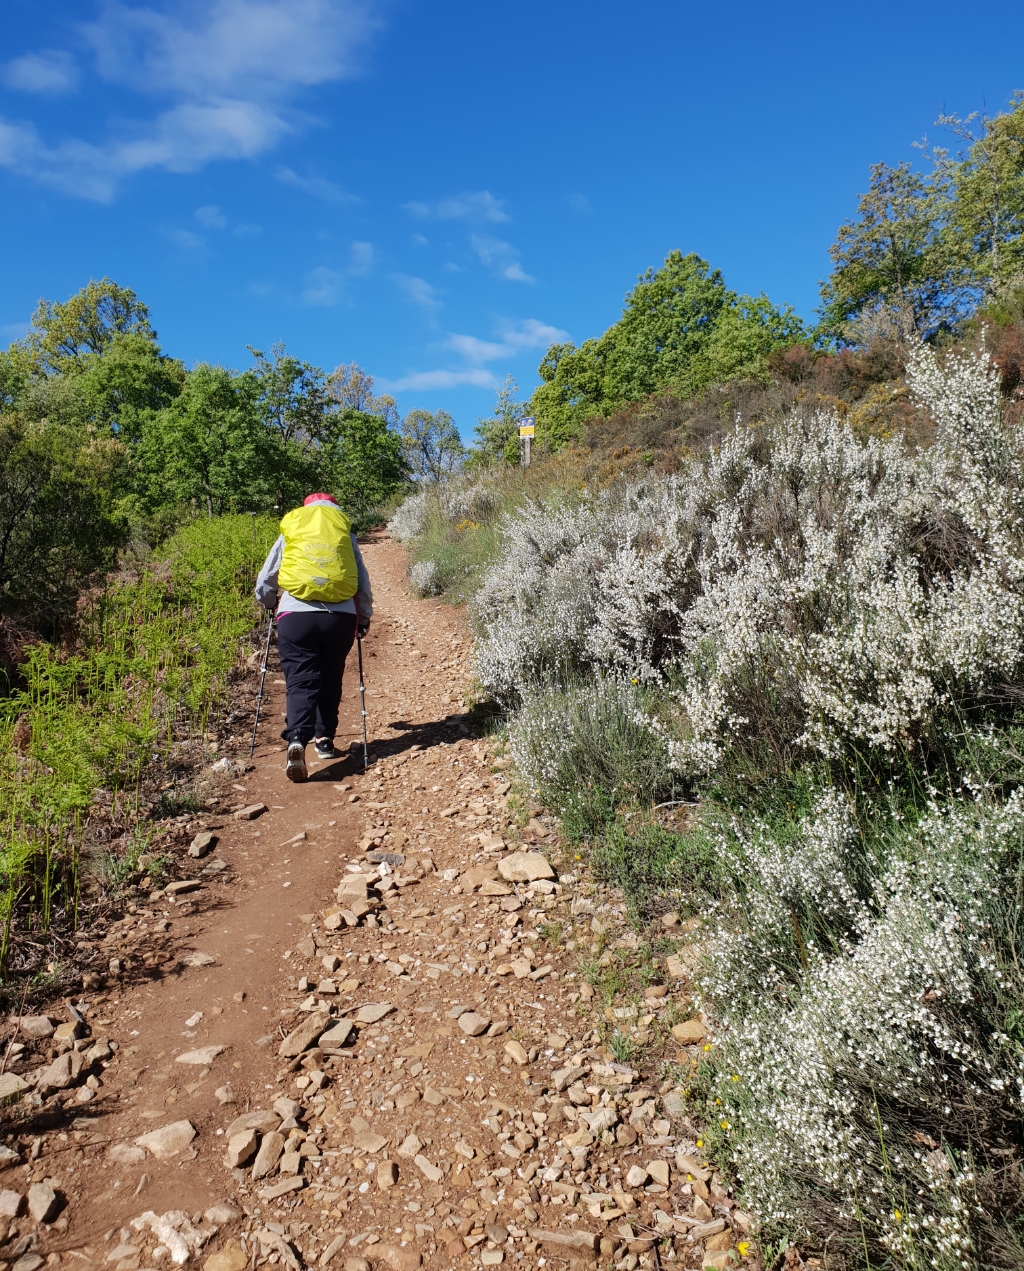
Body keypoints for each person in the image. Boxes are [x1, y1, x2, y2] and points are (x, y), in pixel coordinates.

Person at [255, 493, 373, 783]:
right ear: (335, 509)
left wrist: (269, 601)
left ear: (306, 509)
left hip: (296, 615)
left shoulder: (294, 529)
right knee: (331, 676)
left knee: (300, 679)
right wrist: (365, 617)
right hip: (340, 617)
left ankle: (297, 739)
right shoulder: (344, 532)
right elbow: (362, 580)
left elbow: (266, 578)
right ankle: (324, 741)